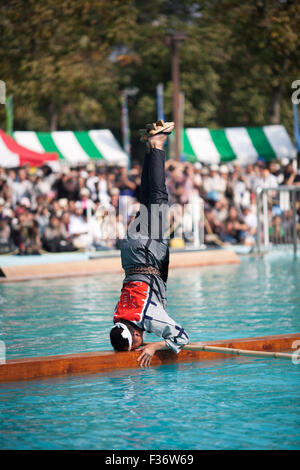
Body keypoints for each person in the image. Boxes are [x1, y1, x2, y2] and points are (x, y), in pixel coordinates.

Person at [110, 120, 189, 367]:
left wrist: (155, 346)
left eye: (138, 340)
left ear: (134, 334)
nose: (141, 340)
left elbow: (181, 337)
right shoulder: (118, 315)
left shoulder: (145, 317)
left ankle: (156, 144)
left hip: (146, 254)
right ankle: (149, 147)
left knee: (157, 196)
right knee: (147, 198)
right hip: (131, 253)